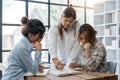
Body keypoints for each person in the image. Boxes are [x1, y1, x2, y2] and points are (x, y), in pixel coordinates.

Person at [48, 5, 81, 70]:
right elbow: (52, 45)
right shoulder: (54, 28)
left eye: (71, 21)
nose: (68, 23)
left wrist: (70, 63)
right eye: (65, 20)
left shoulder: (77, 26)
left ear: (74, 20)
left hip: (73, 64)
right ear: (61, 17)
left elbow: (76, 45)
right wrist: (55, 60)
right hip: (59, 63)